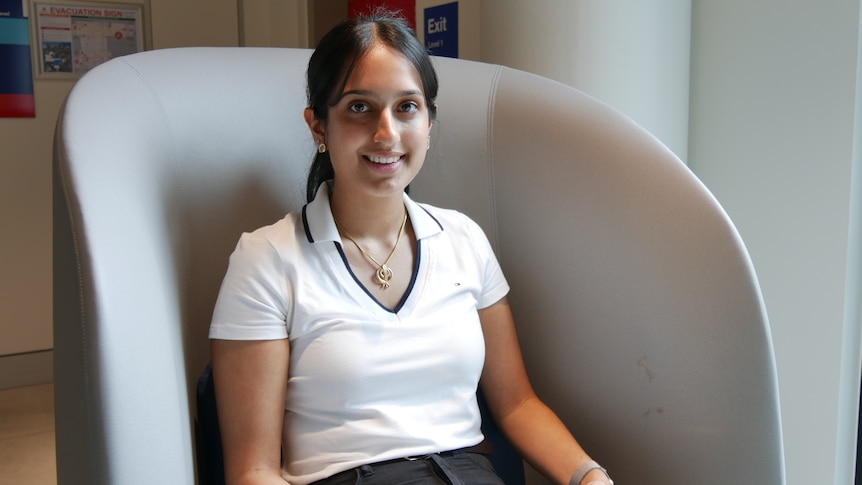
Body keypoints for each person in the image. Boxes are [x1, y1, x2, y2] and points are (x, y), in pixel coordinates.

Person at [209, 10, 613, 485]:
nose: (387, 133)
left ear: (429, 123)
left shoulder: (464, 240)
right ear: (318, 126)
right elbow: (252, 471)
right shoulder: (267, 259)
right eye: (359, 107)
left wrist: (588, 476)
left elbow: (518, 405)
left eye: (407, 107)